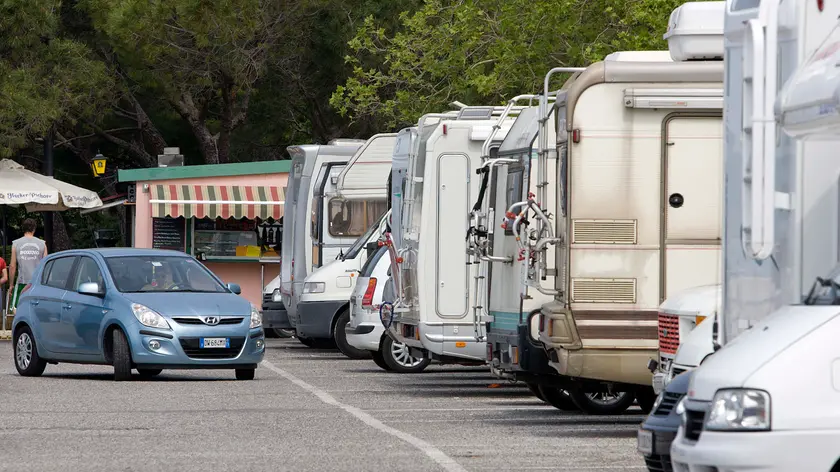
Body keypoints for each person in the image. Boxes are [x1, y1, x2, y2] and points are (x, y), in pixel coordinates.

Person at [7, 218, 47, 313]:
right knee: (36, 309)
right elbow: (45, 265)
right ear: (34, 229)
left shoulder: (16, 244)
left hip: (22, 281)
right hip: (37, 283)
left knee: (16, 308)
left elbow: (12, 266)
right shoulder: (42, 244)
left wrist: (11, 285)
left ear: (23, 229)